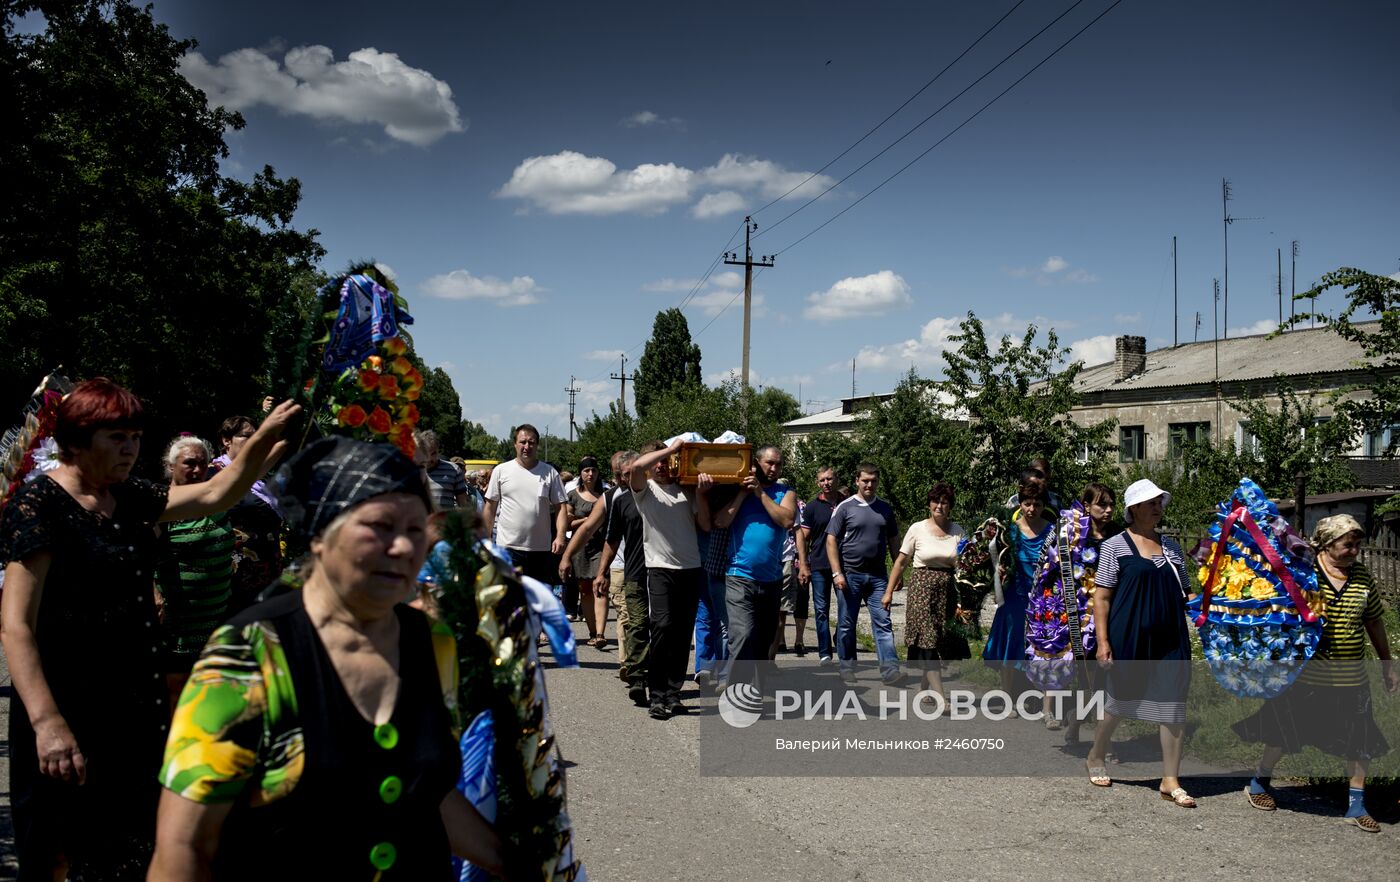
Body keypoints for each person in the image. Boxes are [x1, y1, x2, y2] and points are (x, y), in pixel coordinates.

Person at [147, 437, 504, 879]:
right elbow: (184, 844)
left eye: (416, 531)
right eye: (380, 526)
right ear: (319, 535)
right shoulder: (248, 652)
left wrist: (511, 861)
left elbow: (424, 788)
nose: (403, 548)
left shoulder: (433, 641)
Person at [0, 379, 299, 880]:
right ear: (76, 440)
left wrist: (267, 437)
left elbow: (215, 493)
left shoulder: (128, 496)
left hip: (132, 700)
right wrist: (47, 724)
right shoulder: (38, 505)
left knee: (129, 843)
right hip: (65, 703)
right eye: (117, 437)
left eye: (135, 437)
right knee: (57, 852)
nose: (130, 448)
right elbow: (15, 626)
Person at [1234, 514, 1397, 831]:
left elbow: (1374, 621)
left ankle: (1357, 804)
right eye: (1347, 545)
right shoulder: (1305, 574)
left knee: (1360, 739)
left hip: (1352, 677)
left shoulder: (1362, 576)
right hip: (1307, 676)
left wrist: (1386, 662)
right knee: (1284, 733)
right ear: (1327, 544)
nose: (1354, 551)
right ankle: (1259, 780)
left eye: (1357, 545)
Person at [1084, 479, 1195, 807]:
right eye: (1151, 502)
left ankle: (1170, 779)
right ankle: (1096, 754)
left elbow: (1185, 593)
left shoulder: (1171, 548)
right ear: (1133, 509)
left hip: (1171, 636)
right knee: (1119, 703)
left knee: (1174, 706)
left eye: (1159, 501)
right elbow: (1101, 597)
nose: (1158, 507)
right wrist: (1103, 642)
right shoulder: (1115, 546)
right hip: (1129, 633)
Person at [629, 438, 713, 719]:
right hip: (659, 569)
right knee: (662, 626)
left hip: (690, 568)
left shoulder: (685, 489)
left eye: (666, 461)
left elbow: (705, 525)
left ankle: (674, 694)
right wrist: (671, 449)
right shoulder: (644, 489)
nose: (662, 465)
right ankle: (657, 694)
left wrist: (701, 493)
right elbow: (637, 466)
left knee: (680, 633)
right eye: (658, 461)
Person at [154, 434, 235, 706]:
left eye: (203, 463)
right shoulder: (161, 505)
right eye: (189, 463)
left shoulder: (214, 498)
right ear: (170, 465)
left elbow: (249, 469)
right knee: (178, 699)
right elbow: (138, 556)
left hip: (216, 622)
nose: (198, 470)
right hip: (179, 628)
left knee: (209, 700)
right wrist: (152, 591)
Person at [713, 445, 798, 690]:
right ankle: (736, 690)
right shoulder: (739, 492)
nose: (774, 468)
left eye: (778, 464)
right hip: (739, 575)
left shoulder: (785, 492)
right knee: (743, 634)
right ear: (756, 464)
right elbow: (721, 521)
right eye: (769, 463)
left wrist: (760, 492)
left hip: (771, 579)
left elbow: (787, 520)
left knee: (764, 640)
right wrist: (742, 493)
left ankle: (755, 691)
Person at [883, 482, 966, 699]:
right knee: (927, 639)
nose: (939, 506)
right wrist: (889, 591)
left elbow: (966, 566)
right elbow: (901, 562)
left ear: (950, 506)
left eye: (944, 502)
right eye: (935, 501)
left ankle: (924, 690)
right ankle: (940, 697)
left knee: (940, 640)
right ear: (929, 504)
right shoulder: (917, 528)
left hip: (946, 592)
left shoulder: (958, 532)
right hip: (921, 590)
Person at [826, 462, 901, 685]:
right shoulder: (845, 507)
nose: (869, 484)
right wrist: (836, 573)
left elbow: (894, 541)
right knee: (847, 623)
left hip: (878, 577)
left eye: (873, 481)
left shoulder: (885, 509)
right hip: (850, 575)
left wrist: (898, 571)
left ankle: (890, 671)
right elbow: (831, 540)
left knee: (883, 622)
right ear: (857, 481)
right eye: (865, 480)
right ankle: (847, 666)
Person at [983, 472, 1053, 702]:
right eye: (1027, 504)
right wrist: (999, 576)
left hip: (1044, 598)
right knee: (1010, 646)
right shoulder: (1010, 531)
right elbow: (996, 561)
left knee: (1044, 648)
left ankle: (1044, 703)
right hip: (1014, 596)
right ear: (1020, 504)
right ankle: (1007, 696)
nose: (1032, 509)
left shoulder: (1053, 532)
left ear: (1044, 505)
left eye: (1037, 504)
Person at [208, 415, 285, 613]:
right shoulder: (214, 472)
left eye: (256, 437)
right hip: (236, 577)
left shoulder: (260, 478)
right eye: (246, 436)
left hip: (268, 574)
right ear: (226, 440)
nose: (253, 442)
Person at [483, 424, 566, 585]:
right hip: (508, 548)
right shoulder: (501, 471)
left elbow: (561, 507)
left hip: (540, 549)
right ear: (515, 444)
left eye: (531, 442)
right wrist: (486, 539)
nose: (526, 446)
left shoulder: (550, 472)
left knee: (536, 601)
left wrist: (561, 535)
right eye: (522, 442)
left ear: (537, 445)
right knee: (510, 599)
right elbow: (490, 507)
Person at [561, 456, 609, 647]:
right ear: (580, 474)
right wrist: (590, 519)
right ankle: (591, 631)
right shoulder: (573, 495)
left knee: (601, 588)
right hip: (580, 547)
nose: (590, 474)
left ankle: (600, 633)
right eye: (586, 471)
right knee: (586, 590)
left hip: (601, 546)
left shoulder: (606, 494)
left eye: (593, 470)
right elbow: (568, 522)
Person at [798, 467, 842, 665]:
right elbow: (803, 537)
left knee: (845, 608)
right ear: (818, 483)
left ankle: (840, 641)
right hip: (819, 564)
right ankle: (825, 652)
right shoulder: (812, 507)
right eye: (822, 480)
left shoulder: (847, 503)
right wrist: (803, 563)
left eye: (830, 479)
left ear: (836, 480)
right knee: (821, 610)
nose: (826, 483)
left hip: (844, 565)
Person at [417, 429, 469, 510]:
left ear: (438, 450)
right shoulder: (412, 471)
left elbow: (463, 504)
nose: (430, 458)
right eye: (426, 453)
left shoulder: (454, 470)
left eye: (434, 453)